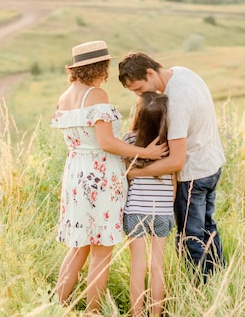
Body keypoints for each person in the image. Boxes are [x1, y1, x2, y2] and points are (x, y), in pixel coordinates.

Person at [51, 41, 167, 313]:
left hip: (75, 173)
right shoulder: (96, 95)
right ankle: (93, 312)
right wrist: (144, 152)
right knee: (102, 251)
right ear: (98, 67)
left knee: (79, 246)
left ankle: (56, 307)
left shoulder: (65, 96)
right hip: (100, 177)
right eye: (105, 66)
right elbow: (107, 143)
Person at [118, 51, 226, 280]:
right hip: (211, 164)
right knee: (208, 228)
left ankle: (201, 289)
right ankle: (219, 279)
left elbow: (176, 161)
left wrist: (135, 173)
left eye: (138, 88)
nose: (139, 95)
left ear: (149, 73)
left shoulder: (175, 101)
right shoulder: (182, 72)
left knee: (192, 237)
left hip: (193, 176)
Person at [122, 92, 174, 317]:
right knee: (157, 266)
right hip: (162, 211)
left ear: (138, 115)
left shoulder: (129, 141)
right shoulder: (171, 144)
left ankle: (136, 314)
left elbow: (125, 175)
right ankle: (156, 314)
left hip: (135, 210)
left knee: (138, 266)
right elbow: (174, 180)